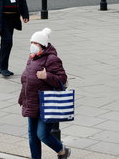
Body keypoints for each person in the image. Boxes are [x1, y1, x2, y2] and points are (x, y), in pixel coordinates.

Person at [18, 28, 71, 159]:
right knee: (32, 135)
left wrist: (46, 76)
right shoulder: (31, 58)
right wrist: (22, 98)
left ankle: (62, 150)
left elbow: (62, 80)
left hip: (46, 104)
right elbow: (26, 81)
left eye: (35, 43)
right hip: (31, 102)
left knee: (42, 134)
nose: (32, 45)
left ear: (42, 44)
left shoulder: (52, 59)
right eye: (31, 42)